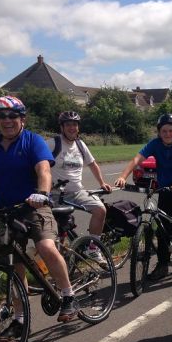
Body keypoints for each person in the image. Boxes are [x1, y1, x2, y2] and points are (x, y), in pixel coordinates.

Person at [0, 95, 81, 337]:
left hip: (34, 207)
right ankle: (20, 319)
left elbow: (43, 169)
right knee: (13, 268)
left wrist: (42, 194)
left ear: (22, 119)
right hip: (6, 212)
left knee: (45, 246)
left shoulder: (32, 141)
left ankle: (68, 295)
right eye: (1, 116)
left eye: (13, 116)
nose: (7, 120)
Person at [114, 113, 172, 277]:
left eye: (171, 130)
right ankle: (162, 264)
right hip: (164, 189)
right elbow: (137, 159)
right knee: (162, 227)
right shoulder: (155, 144)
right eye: (164, 131)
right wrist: (122, 176)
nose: (168, 134)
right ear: (159, 132)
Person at [46, 110, 111, 263]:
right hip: (55, 195)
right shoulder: (52, 144)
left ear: (78, 127)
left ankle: (93, 248)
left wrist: (102, 183)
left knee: (100, 210)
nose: (72, 128)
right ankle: (59, 261)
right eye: (68, 125)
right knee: (58, 230)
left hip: (77, 192)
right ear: (62, 127)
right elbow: (38, 165)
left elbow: (93, 164)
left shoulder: (80, 145)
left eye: (75, 125)